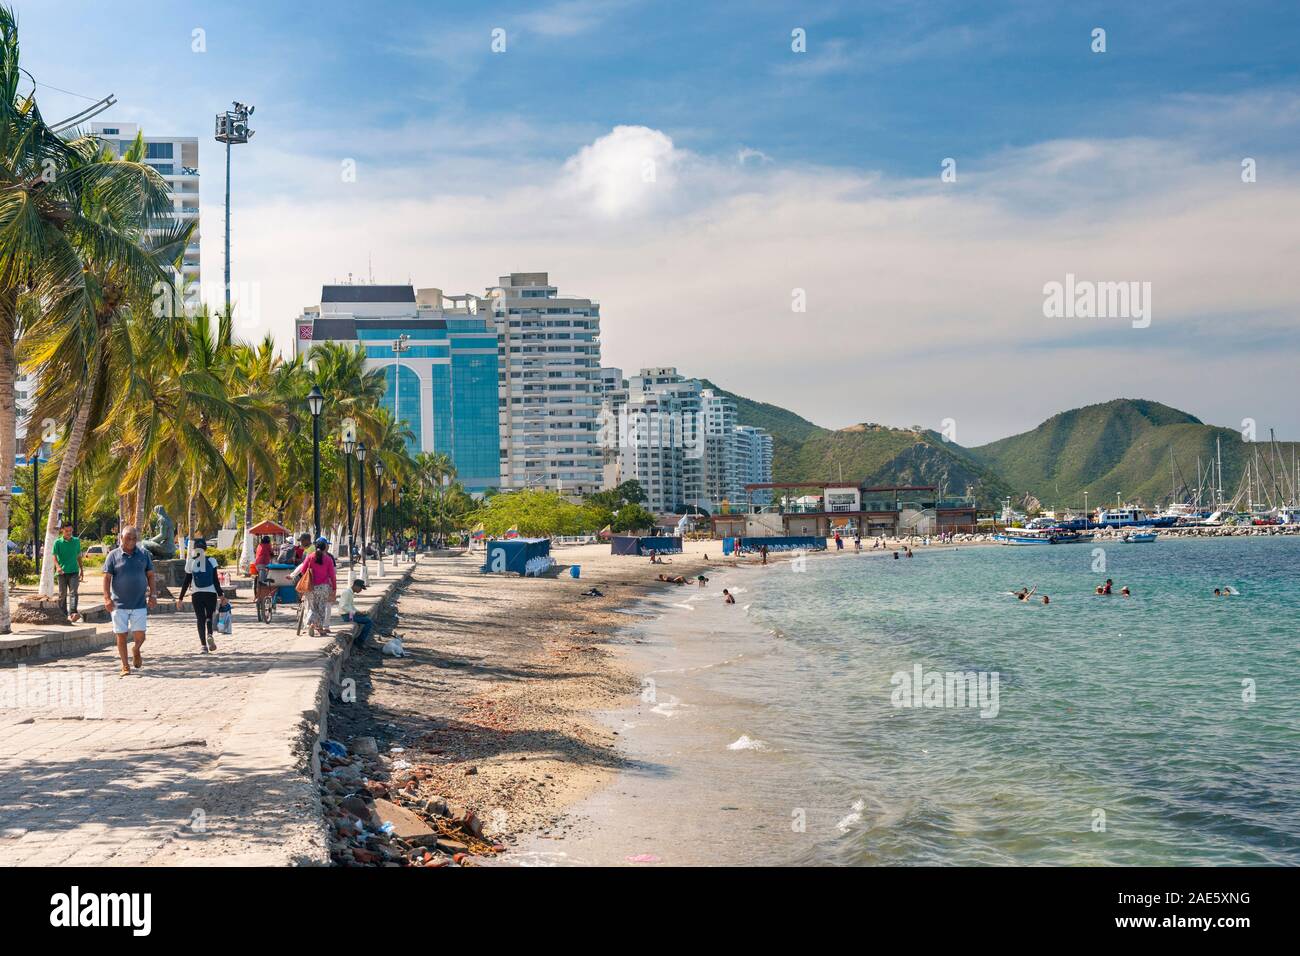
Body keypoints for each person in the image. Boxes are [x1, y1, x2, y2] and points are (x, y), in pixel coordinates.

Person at [103, 526, 157, 676]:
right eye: (128, 538)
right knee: (121, 635)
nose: (131, 541)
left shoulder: (144, 555)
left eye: (134, 538)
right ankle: (125, 665)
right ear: (121, 538)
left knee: (141, 636)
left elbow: (151, 575)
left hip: (139, 603)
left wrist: (153, 595)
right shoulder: (113, 556)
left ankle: (136, 649)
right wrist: (107, 598)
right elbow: (107, 578)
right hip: (118, 604)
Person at [177, 537, 224, 653]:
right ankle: (209, 634)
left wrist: (180, 598)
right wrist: (221, 595)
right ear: (205, 549)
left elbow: (186, 581)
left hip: (197, 594)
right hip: (211, 593)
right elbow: (215, 580)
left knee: (200, 618)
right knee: (209, 616)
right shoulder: (212, 560)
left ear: (195, 550)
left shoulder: (191, 562)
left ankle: (203, 645)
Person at [295, 537, 338, 637]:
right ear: (324, 548)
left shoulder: (310, 557)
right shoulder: (328, 559)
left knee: (312, 607)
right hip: (324, 587)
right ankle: (320, 628)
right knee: (321, 607)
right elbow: (332, 576)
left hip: (311, 587)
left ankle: (311, 624)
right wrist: (334, 589)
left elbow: (303, 570)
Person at [52, 523, 84, 623]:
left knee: (73, 592)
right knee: (62, 594)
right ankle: (63, 614)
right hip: (62, 572)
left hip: (74, 571)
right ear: (62, 530)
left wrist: (82, 569)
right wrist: (57, 567)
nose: (69, 533)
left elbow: (78, 556)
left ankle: (73, 613)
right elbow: (54, 557)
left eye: (70, 531)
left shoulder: (76, 541)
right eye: (66, 531)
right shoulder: (58, 542)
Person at [338, 579, 373, 648]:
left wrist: (358, 612)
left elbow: (351, 606)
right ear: (355, 586)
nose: (360, 590)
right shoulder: (347, 593)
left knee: (366, 617)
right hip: (346, 616)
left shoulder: (350, 593)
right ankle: (360, 641)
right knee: (369, 622)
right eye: (360, 588)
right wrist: (354, 612)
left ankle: (360, 639)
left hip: (349, 614)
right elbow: (343, 606)